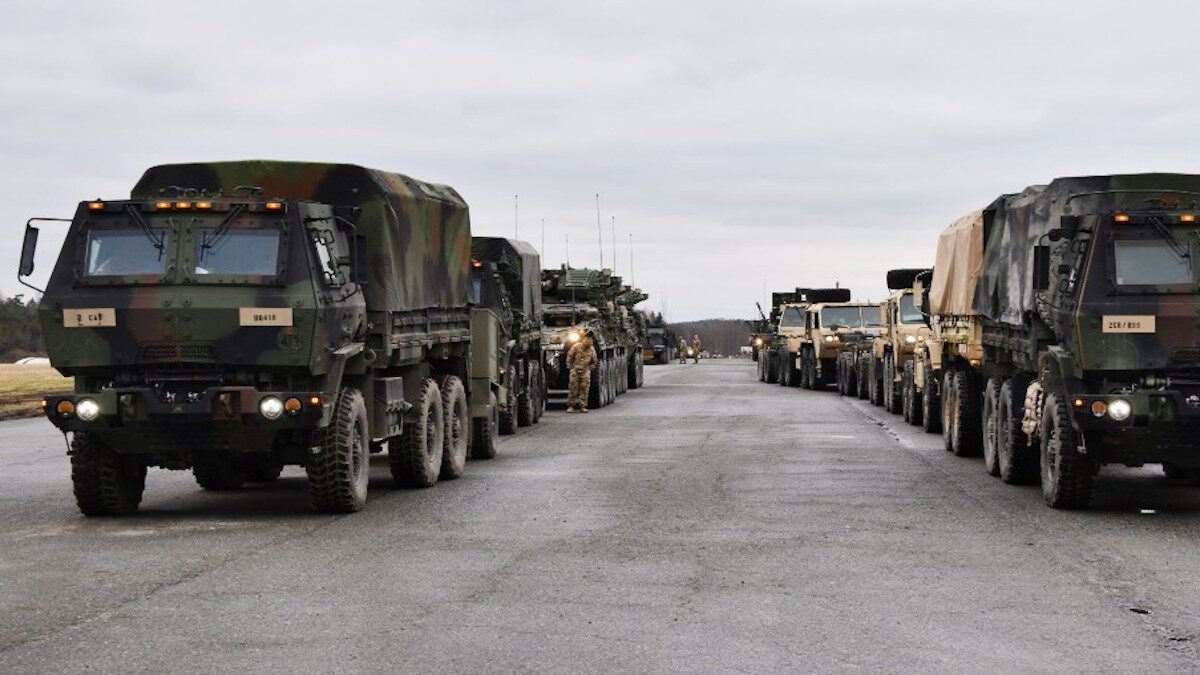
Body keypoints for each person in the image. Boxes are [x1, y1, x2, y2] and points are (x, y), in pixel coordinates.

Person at [566, 335, 598, 413]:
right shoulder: (576, 347)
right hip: (575, 370)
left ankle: (582, 406)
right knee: (573, 388)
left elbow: (594, 361)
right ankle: (571, 405)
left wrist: (590, 368)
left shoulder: (591, 350)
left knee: (584, 388)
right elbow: (569, 357)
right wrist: (570, 367)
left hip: (585, 371)